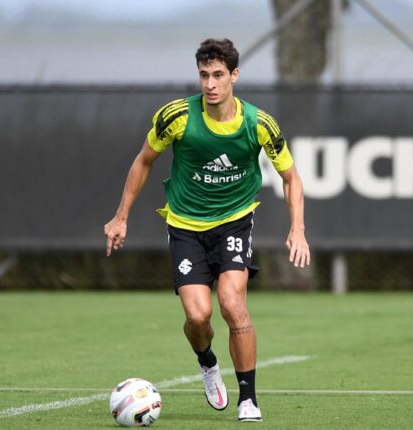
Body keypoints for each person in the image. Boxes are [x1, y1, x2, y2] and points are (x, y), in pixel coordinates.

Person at [103, 38, 310, 423]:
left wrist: (297, 229)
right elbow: (143, 162)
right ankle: (207, 362)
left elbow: (291, 178)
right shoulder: (177, 116)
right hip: (184, 225)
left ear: (234, 75)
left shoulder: (259, 124)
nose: (210, 84)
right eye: (203, 75)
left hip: (234, 219)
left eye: (218, 75)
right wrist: (121, 216)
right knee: (199, 317)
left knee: (232, 304)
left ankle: (248, 398)